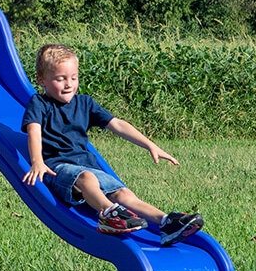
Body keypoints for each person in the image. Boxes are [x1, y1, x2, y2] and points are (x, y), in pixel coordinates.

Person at [22, 43, 204, 244]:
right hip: (58, 168)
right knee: (86, 177)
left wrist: (150, 145)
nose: (69, 84)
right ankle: (108, 214)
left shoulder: (85, 103)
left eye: (74, 78)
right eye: (60, 79)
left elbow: (117, 124)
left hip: (87, 165)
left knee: (124, 193)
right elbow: (34, 130)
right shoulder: (39, 103)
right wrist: (37, 161)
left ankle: (166, 222)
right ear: (42, 80)